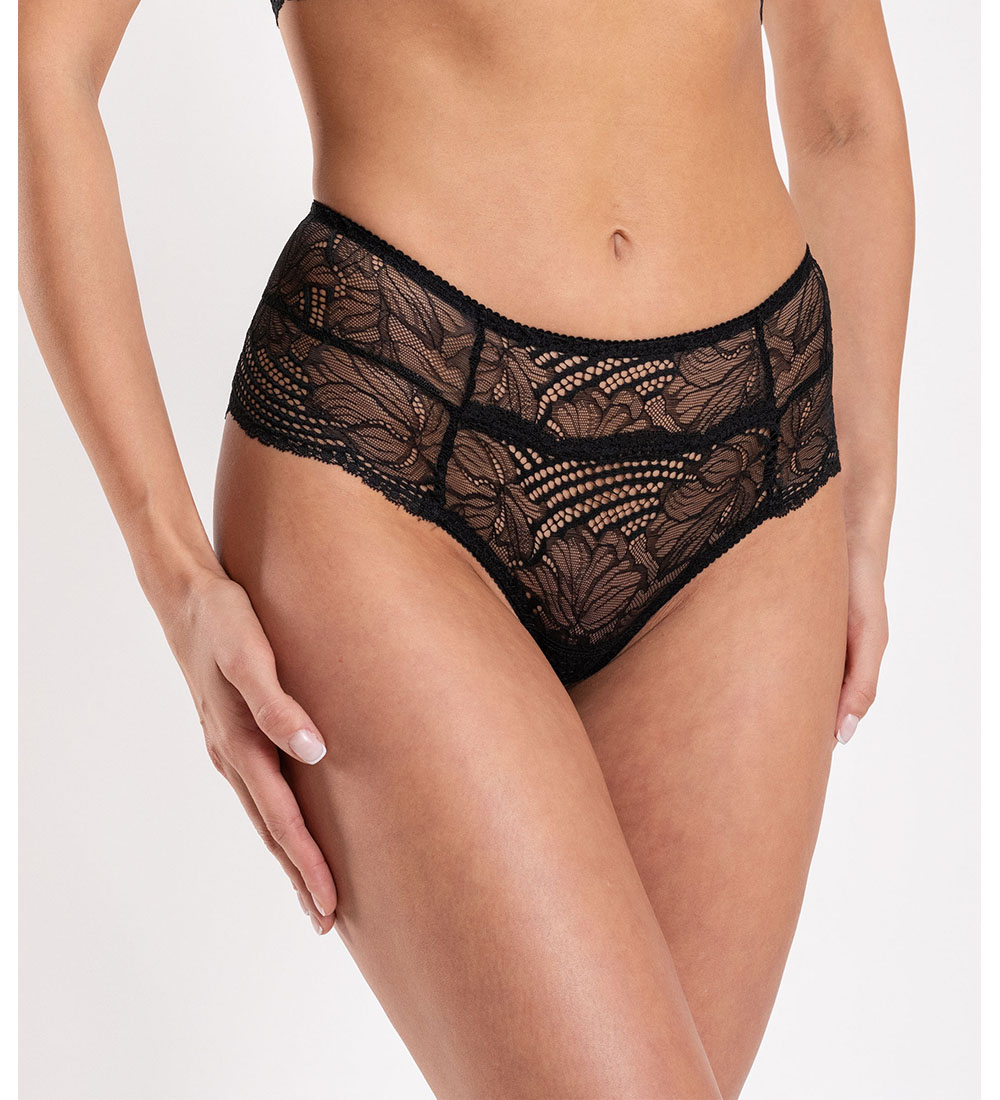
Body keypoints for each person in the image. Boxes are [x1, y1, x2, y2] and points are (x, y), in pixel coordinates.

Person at [18, 0, 913, 1095]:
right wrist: (176, 579)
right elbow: (53, 73)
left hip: (750, 477)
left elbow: (842, 111)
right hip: (395, 447)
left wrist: (866, 498)